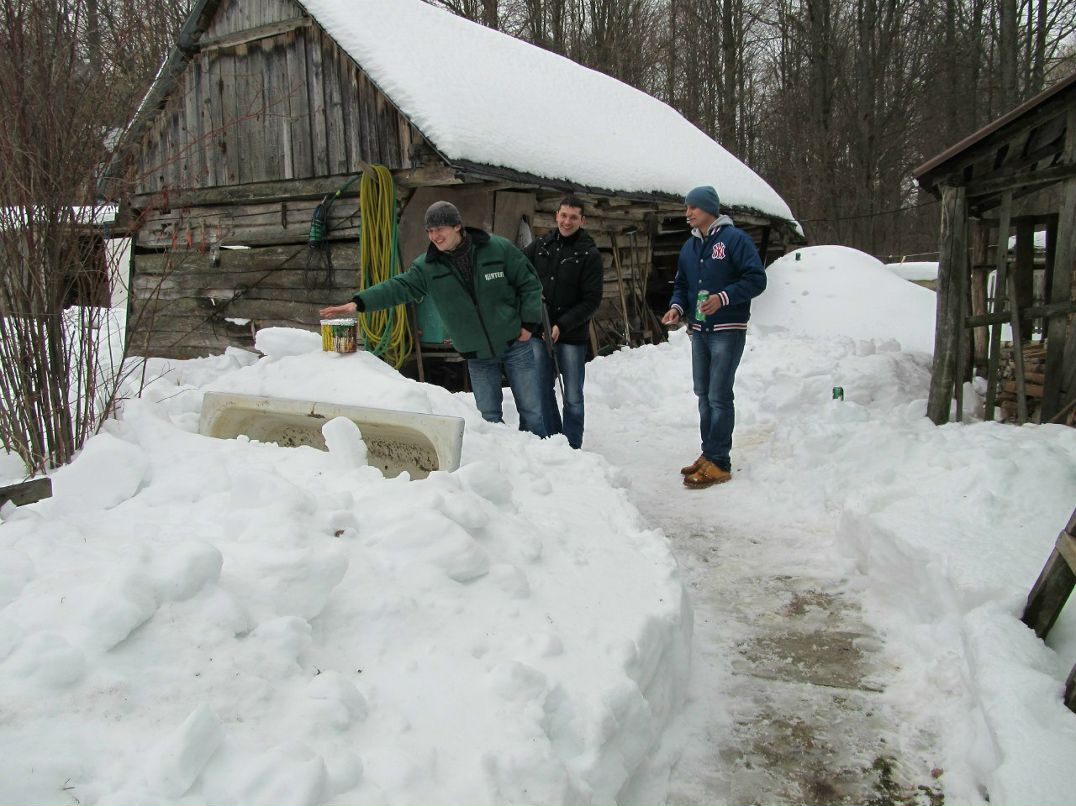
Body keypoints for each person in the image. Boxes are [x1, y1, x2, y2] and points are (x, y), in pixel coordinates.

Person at [319, 201, 548, 437]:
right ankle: (502, 467)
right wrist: (359, 302)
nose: (434, 236)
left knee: (532, 411)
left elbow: (529, 283)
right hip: (477, 353)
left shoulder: (497, 248)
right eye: (429, 231)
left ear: (457, 226)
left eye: (440, 229)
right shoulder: (427, 267)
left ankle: (540, 461)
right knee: (488, 419)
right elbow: (398, 287)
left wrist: (529, 324)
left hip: (515, 343)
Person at [660, 185, 766, 489]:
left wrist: (724, 298)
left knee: (719, 396)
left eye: (693, 207)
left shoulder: (735, 240)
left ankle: (720, 462)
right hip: (700, 331)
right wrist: (677, 307)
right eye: (687, 207)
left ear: (709, 209)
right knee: (703, 394)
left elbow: (757, 279)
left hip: (727, 331)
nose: (688, 213)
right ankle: (709, 453)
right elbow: (682, 284)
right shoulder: (690, 247)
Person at [523, 196, 604, 449]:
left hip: (571, 335)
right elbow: (518, 272)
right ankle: (553, 440)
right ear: (556, 215)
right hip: (540, 329)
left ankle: (572, 446)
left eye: (573, 217)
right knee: (542, 388)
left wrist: (562, 325)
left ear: (582, 220)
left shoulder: (589, 254)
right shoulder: (540, 246)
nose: (567, 221)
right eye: (563, 215)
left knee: (573, 395)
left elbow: (591, 301)